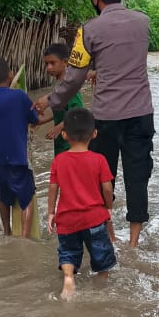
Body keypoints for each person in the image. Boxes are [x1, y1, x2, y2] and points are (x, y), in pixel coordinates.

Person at [35, 0, 153, 248]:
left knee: (101, 177)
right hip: (141, 113)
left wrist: (50, 101)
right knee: (138, 176)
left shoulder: (88, 30)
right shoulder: (143, 21)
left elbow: (74, 78)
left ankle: (109, 237)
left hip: (106, 117)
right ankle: (134, 243)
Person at [48, 107, 117, 300]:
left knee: (68, 253)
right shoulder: (99, 160)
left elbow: (53, 188)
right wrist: (108, 207)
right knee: (102, 257)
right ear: (94, 134)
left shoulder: (59, 161)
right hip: (94, 218)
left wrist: (51, 213)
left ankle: (69, 278)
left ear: (64, 134)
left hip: (67, 220)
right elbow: (107, 188)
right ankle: (101, 288)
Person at [0, 56, 40, 237]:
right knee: (27, 197)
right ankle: (24, 238)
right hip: (18, 157)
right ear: (10, 74)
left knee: (3, 198)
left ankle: (7, 232)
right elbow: (34, 119)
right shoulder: (20, 96)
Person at [34, 43, 85, 158]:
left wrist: (59, 127)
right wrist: (41, 121)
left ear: (65, 62)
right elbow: (64, 110)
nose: (49, 68)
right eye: (47, 64)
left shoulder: (69, 86)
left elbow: (78, 113)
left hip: (71, 144)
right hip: (62, 142)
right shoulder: (58, 84)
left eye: (53, 63)